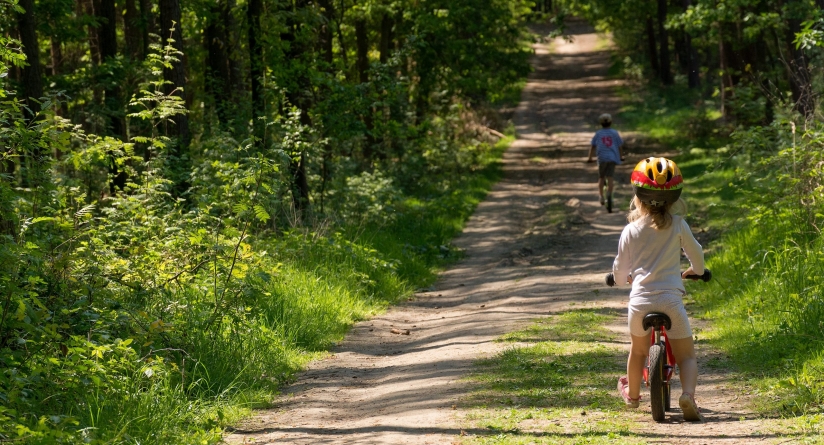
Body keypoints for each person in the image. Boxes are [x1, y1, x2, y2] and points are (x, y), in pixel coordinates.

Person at [612, 157, 705, 422]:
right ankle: (687, 395)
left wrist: (621, 279)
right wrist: (697, 271)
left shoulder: (631, 230)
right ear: (674, 199)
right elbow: (697, 256)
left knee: (638, 352)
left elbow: (620, 269)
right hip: (670, 301)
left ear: (638, 197)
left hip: (640, 303)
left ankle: (632, 395)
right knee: (686, 356)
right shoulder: (678, 225)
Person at [587, 113, 625, 213]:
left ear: (600, 123)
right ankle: (609, 195)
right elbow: (619, 146)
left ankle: (601, 196)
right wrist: (621, 156)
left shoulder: (598, 133)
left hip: (602, 158)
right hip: (612, 158)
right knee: (610, 177)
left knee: (601, 177)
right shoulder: (614, 133)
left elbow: (593, 146)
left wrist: (590, 158)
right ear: (611, 122)